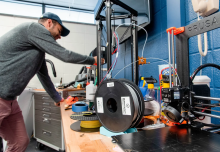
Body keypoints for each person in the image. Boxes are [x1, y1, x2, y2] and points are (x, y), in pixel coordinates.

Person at [0, 12, 104, 152]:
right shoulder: (34, 28)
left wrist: (56, 97)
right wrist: (93, 60)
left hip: (10, 101)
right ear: (49, 23)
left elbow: (43, 75)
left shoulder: (37, 50)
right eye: (59, 31)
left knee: (20, 141)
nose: (59, 36)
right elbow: (64, 55)